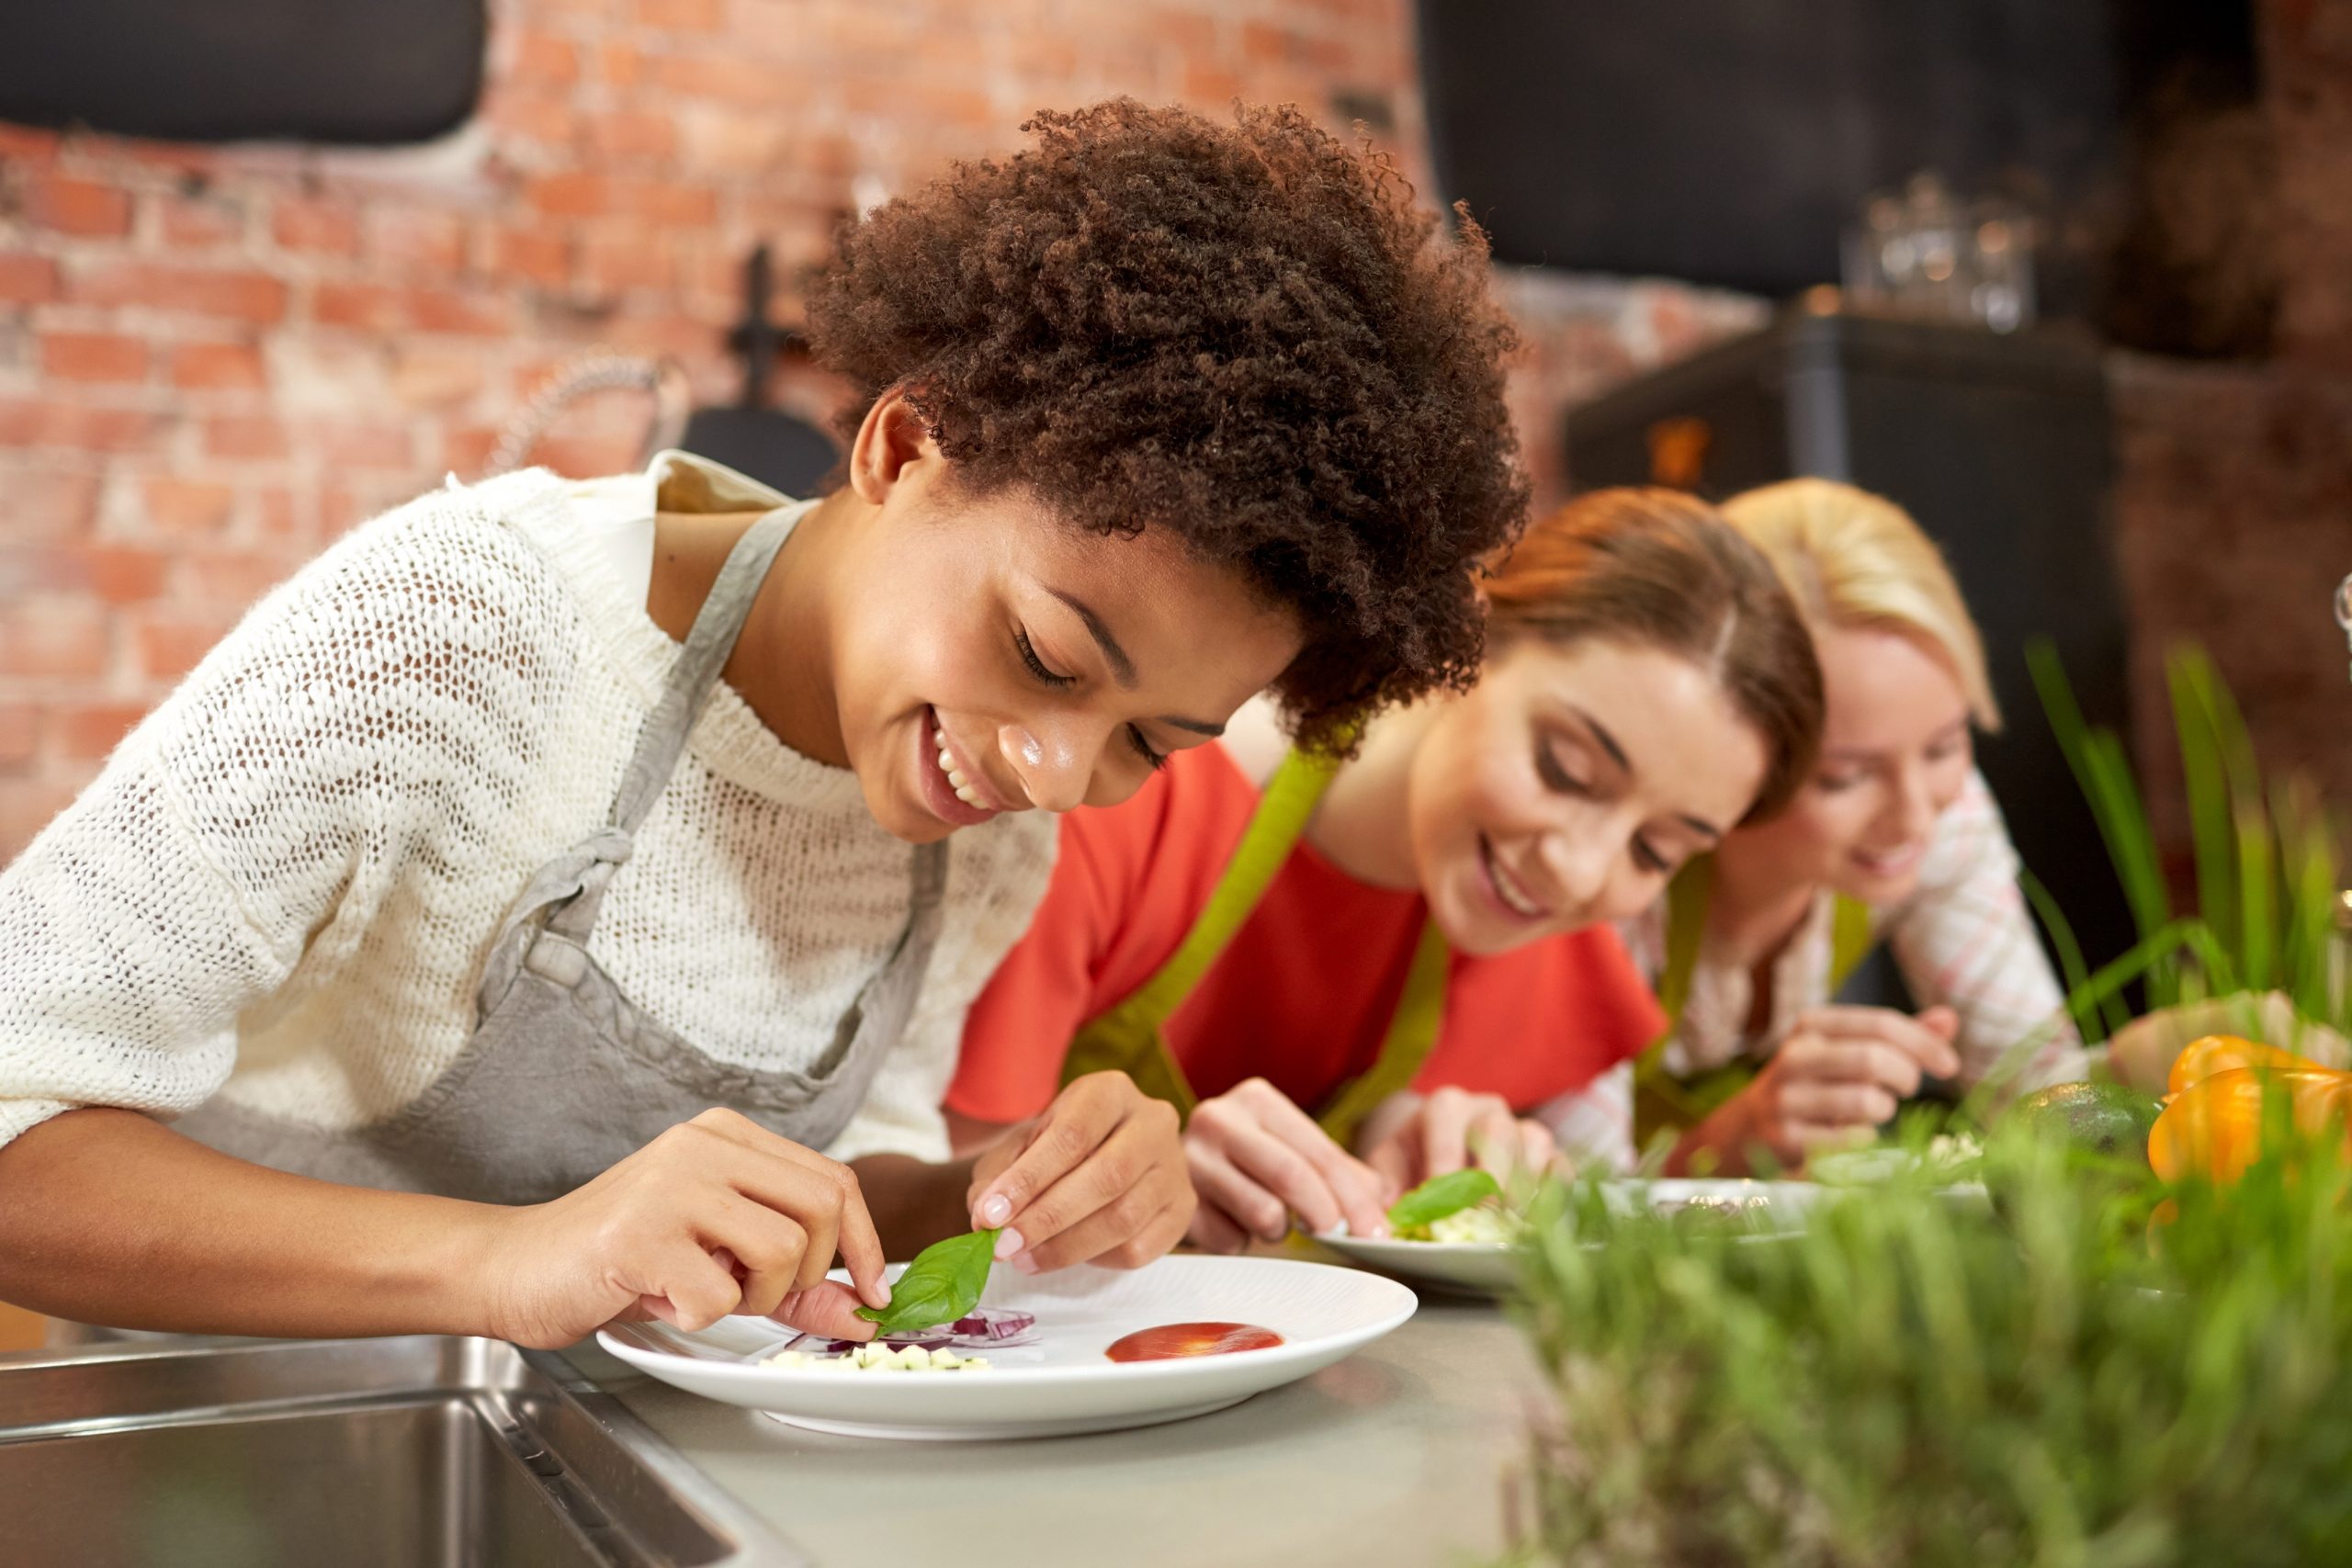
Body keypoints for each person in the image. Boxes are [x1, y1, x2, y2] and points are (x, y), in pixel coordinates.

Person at [0, 101, 1528, 1345]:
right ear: (905, 443)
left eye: (1152, 742)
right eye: (1047, 654)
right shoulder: (467, 630)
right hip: (224, 1440)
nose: (1051, 769)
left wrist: (993, 1191)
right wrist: (514, 1261)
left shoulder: (980, 832)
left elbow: (832, 1197)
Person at [947, 490, 1825, 1249]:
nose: (1577, 867)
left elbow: (1594, 1252)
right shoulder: (1129, 798)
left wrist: (1438, 1174)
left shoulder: (1556, 952)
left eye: (1656, 849)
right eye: (1566, 768)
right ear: (1467, 640)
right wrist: (1141, 1191)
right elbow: (935, 1195)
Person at [1589, 478, 2086, 1177]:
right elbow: (1557, 1214)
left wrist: (2158, 1070)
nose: (1915, 814)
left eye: (1944, 745)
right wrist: (1735, 1139)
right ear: (1726, 748)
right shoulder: (1606, 868)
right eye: (1845, 776)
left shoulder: (1945, 814)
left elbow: (2030, 1085)